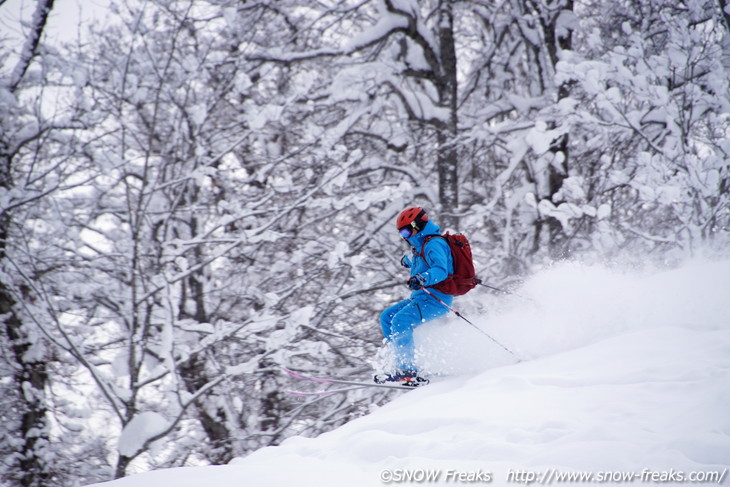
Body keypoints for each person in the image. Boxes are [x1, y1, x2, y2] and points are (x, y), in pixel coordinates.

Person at [376, 206, 454, 386]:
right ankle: (399, 364)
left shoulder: (435, 243)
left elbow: (440, 269)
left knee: (400, 321)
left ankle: (407, 371)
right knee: (387, 317)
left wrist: (422, 278)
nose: (404, 236)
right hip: (422, 297)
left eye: (405, 231)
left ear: (417, 226)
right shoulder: (421, 245)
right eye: (401, 233)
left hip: (436, 299)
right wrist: (409, 262)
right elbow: (424, 262)